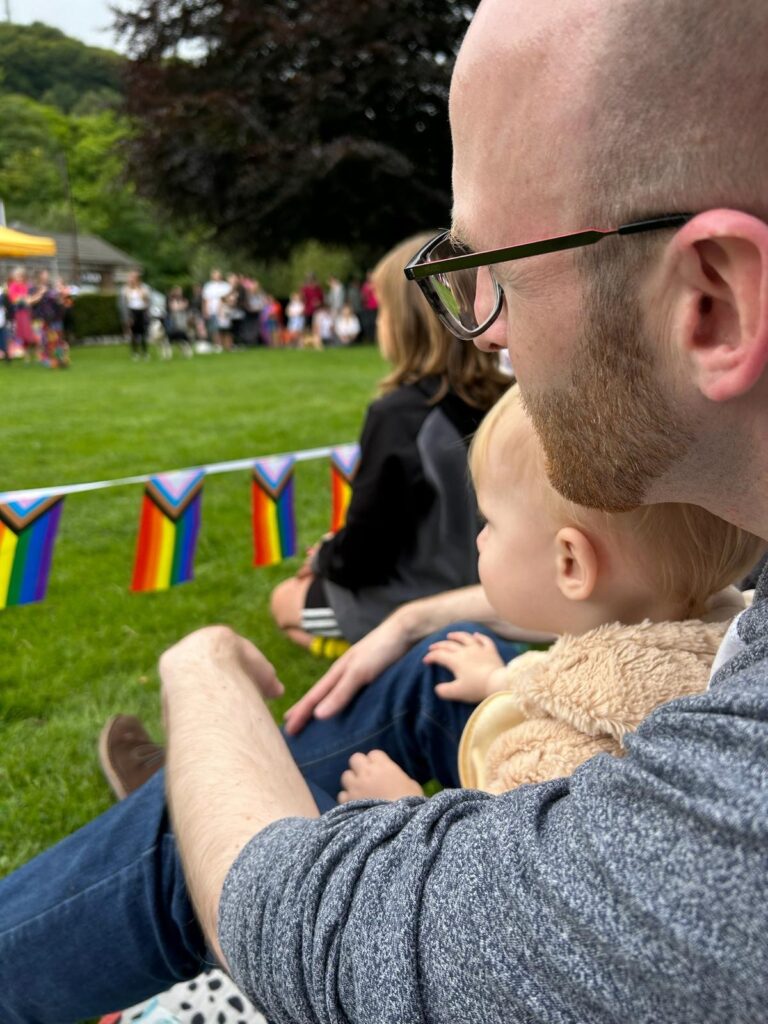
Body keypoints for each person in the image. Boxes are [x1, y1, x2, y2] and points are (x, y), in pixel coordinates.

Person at [4, 2, 768, 1021]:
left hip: (354, 778)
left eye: (494, 277)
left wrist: (203, 681)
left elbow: (311, 925)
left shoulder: (725, 843)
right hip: (430, 627)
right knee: (421, 667)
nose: (489, 342)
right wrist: (415, 618)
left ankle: (196, 791)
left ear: (711, 304)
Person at [332, 385, 761, 801]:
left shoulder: (562, 759)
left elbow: (493, 855)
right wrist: (496, 679)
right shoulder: (721, 633)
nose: (479, 539)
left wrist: (402, 805)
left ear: (570, 564)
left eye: (490, 523)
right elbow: (578, 683)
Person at [270, 232, 510, 648]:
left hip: (420, 596)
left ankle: (379, 657)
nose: (376, 322)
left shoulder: (400, 416)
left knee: (283, 603)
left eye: (380, 311)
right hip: (495, 589)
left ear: (406, 323)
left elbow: (367, 550)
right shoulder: (508, 398)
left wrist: (325, 558)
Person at [30, 269, 69, 368]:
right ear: (39, 276)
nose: (46, 276)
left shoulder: (52, 291)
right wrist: (41, 293)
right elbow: (31, 302)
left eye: (47, 274)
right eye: (44, 274)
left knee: (57, 341)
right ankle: (49, 360)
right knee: (46, 341)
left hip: (54, 318)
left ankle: (60, 360)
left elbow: (61, 303)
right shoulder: (35, 289)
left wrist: (61, 297)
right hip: (43, 319)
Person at [120, 270, 151, 360]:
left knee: (143, 333)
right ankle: (135, 353)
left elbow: (148, 301)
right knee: (133, 333)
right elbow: (123, 304)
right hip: (132, 312)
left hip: (142, 312)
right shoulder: (125, 290)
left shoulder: (144, 288)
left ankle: (145, 352)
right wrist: (126, 317)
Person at [201, 268, 231, 347]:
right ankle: (218, 345)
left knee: (225, 329)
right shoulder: (208, 286)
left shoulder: (225, 285)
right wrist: (205, 310)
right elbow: (205, 299)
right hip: (212, 310)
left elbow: (228, 297)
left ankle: (227, 345)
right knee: (214, 329)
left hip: (224, 310)